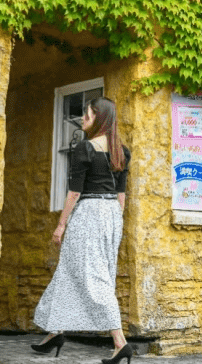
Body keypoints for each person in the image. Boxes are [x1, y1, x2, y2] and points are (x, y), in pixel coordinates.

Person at [32, 97, 134, 364]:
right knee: (70, 268)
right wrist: (113, 225)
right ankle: (56, 330)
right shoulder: (121, 151)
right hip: (112, 214)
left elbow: (75, 192)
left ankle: (120, 341)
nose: (81, 119)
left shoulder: (84, 149)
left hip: (89, 212)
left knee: (94, 277)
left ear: (98, 118)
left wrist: (61, 224)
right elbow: (121, 196)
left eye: (86, 115)